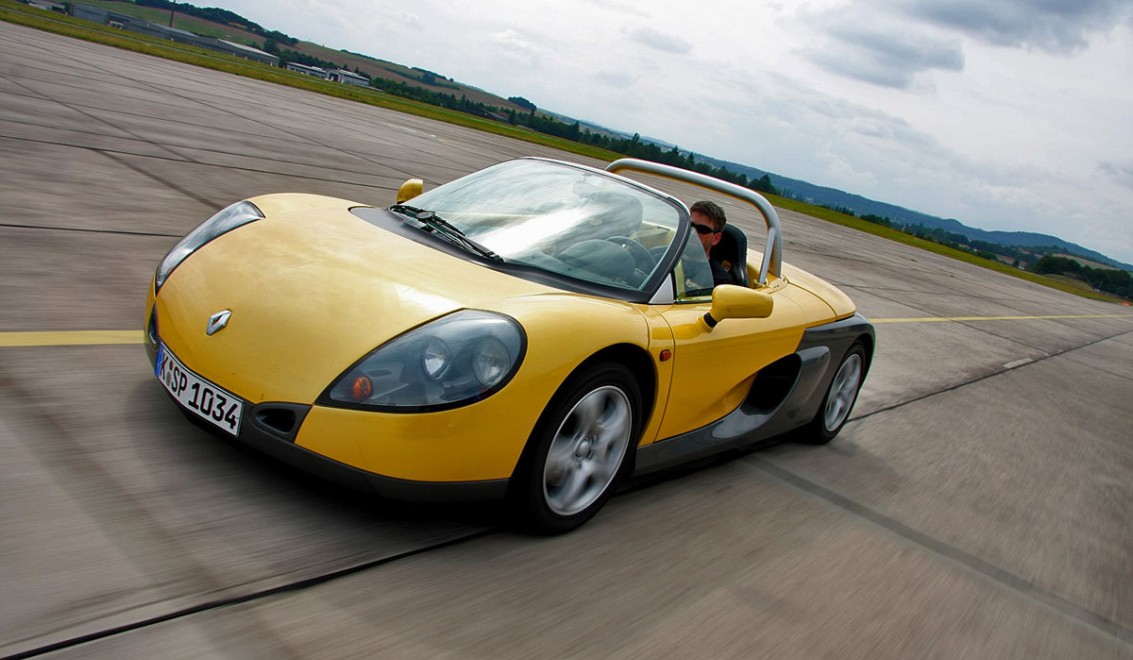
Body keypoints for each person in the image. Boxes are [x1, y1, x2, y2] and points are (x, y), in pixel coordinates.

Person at [689, 200, 734, 287]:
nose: (693, 232)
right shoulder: (663, 255)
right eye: (690, 225)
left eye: (702, 229)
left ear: (716, 238)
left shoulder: (720, 281)